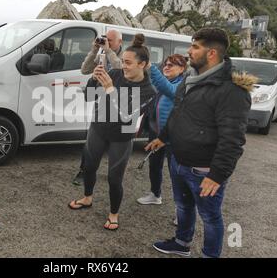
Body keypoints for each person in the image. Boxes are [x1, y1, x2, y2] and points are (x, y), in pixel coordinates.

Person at [146, 28, 257, 258]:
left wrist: (217, 175)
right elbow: (177, 113)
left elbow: (233, 139)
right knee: (183, 206)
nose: (189, 51)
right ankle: (182, 243)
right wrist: (162, 138)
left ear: (212, 53)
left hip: (203, 170)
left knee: (210, 217)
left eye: (195, 47)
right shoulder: (189, 79)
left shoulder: (232, 90)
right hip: (178, 160)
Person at [69, 34, 156, 230]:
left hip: (121, 135)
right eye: (122, 61)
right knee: (89, 167)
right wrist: (93, 79)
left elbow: (126, 115)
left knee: (114, 178)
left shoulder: (149, 91)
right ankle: (87, 197)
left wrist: (109, 88)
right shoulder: (116, 74)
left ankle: (113, 214)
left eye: (128, 62)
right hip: (99, 127)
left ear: (142, 64)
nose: (123, 66)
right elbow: (89, 97)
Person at [72, 29, 123, 185]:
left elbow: (119, 67)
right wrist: (95, 49)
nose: (106, 42)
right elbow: (84, 69)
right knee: (91, 141)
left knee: (117, 143)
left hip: (118, 103)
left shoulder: (125, 56)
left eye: (111, 40)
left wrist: (108, 51)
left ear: (120, 42)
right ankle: (84, 171)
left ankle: (115, 176)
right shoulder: (101, 53)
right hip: (100, 102)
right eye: (105, 39)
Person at [137, 55, 187, 206]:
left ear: (182, 69)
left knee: (176, 174)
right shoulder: (164, 82)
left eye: (172, 65)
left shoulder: (181, 85)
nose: (167, 67)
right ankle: (155, 194)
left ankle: (182, 209)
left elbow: (168, 89)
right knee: (154, 165)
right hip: (157, 133)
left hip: (173, 137)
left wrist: (151, 66)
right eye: (166, 64)